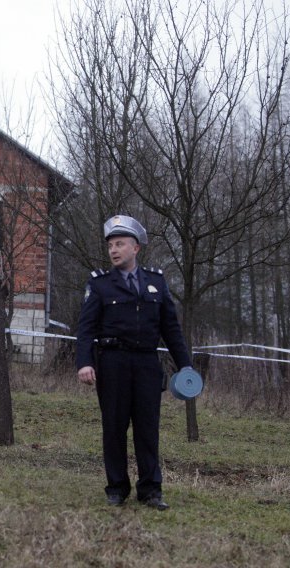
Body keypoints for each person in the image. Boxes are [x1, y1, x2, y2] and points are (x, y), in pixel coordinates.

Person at [75, 214, 192, 510]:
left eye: (120, 244)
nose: (114, 250)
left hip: (147, 365)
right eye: (111, 245)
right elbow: (86, 329)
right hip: (112, 363)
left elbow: (171, 330)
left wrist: (185, 366)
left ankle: (151, 490)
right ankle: (116, 487)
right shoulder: (100, 285)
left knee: (147, 428)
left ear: (135, 248)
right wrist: (84, 362)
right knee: (114, 426)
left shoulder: (156, 282)